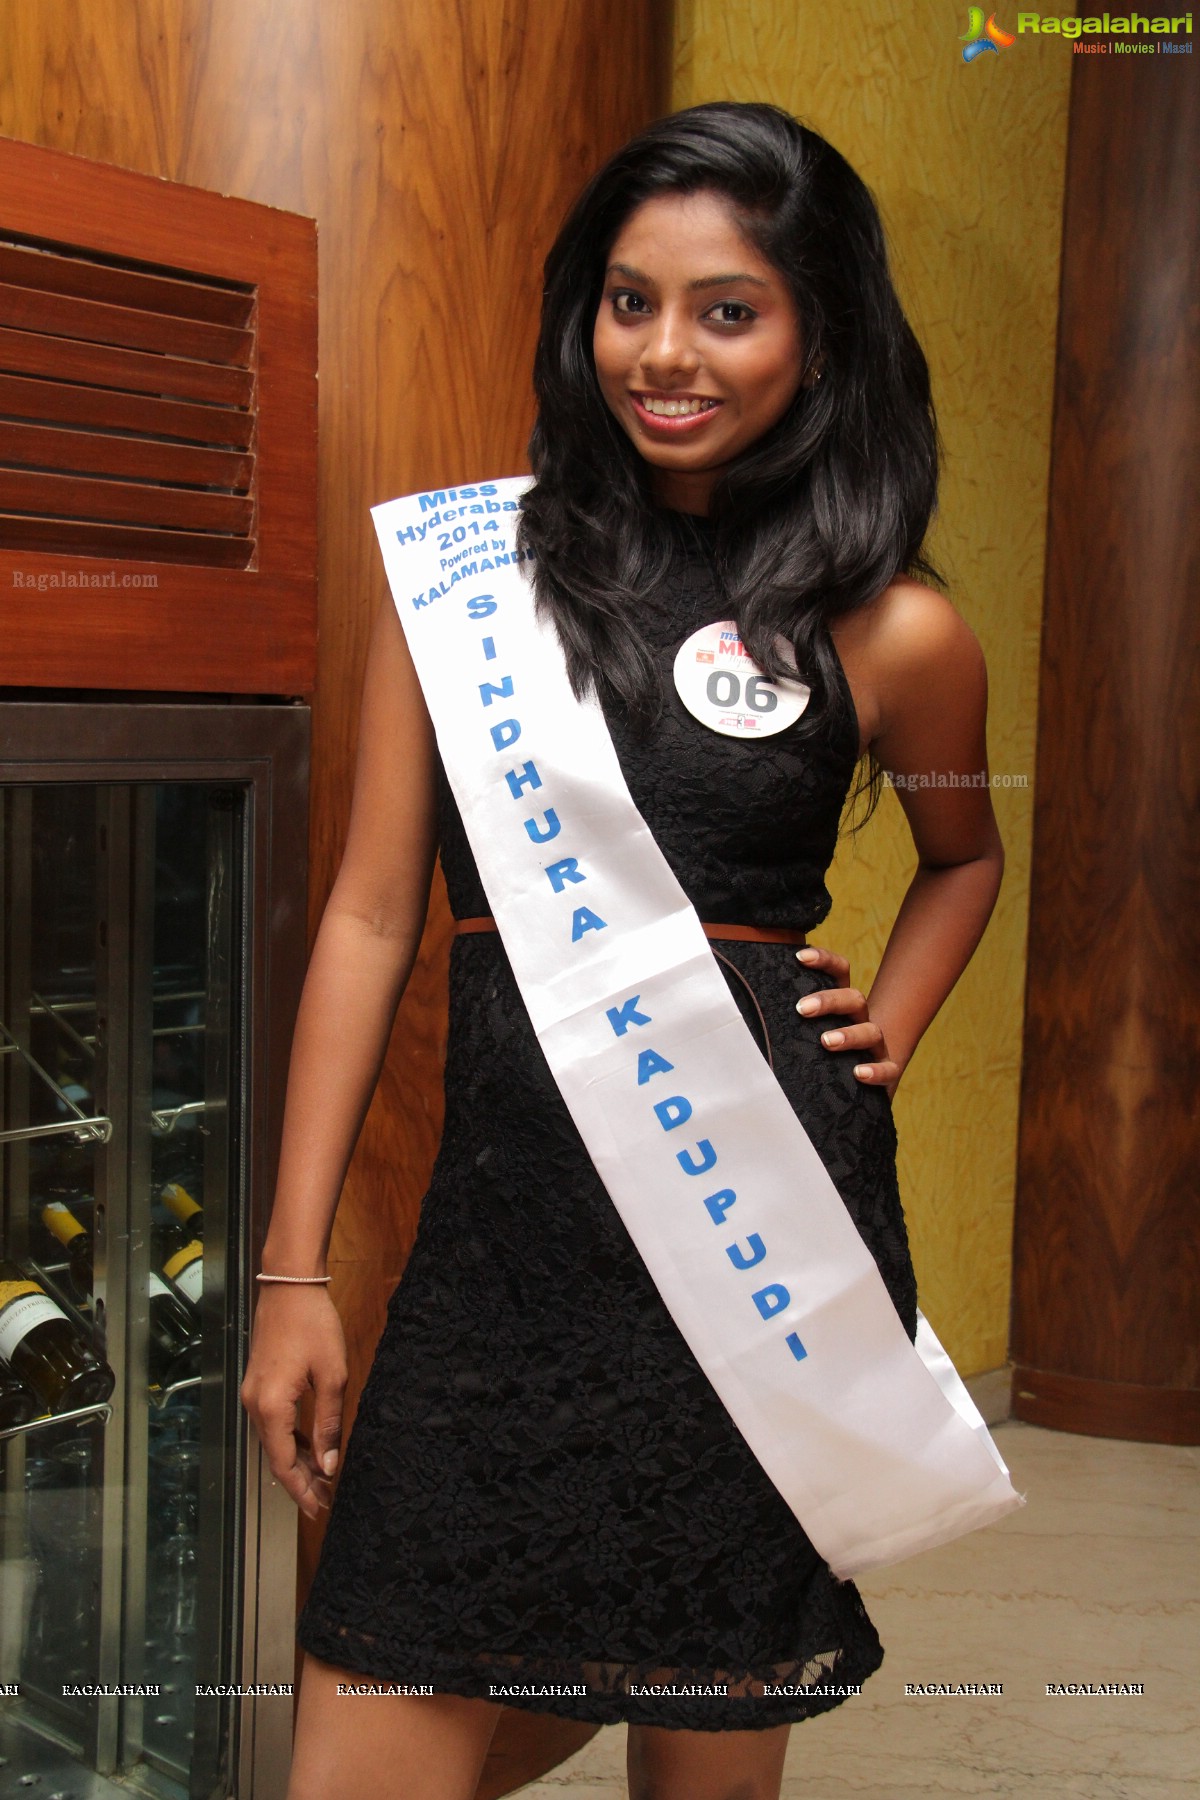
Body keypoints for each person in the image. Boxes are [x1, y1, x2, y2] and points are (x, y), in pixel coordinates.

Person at [241, 101, 1005, 1800]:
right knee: (368, 1730)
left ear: (822, 331)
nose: (666, 353)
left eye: (729, 308)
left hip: (755, 1243)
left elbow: (966, 856)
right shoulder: (467, 577)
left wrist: (884, 1029)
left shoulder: (897, 628)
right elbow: (372, 914)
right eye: (628, 300)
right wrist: (293, 1274)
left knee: (705, 1742)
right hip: (501, 1254)